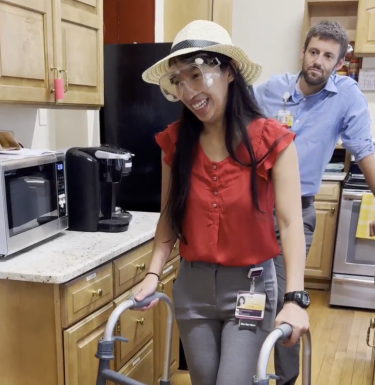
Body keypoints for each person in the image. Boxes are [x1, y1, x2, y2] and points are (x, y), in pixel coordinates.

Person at [132, 20, 310, 385]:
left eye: (196, 75)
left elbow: (291, 224)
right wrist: (153, 272)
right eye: (178, 81)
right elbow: (169, 215)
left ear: (228, 71)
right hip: (192, 289)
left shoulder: (272, 141)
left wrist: (295, 297)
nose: (187, 90)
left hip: (251, 286)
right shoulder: (176, 142)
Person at [254, 20, 375, 385]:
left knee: (285, 300)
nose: (318, 61)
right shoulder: (269, 91)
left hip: (297, 212)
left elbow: (365, 152)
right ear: (303, 52)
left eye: (327, 56)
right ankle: (247, 373)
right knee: (248, 298)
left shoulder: (346, 95)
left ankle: (287, 379)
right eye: (313, 52)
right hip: (253, 209)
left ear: (339, 63)